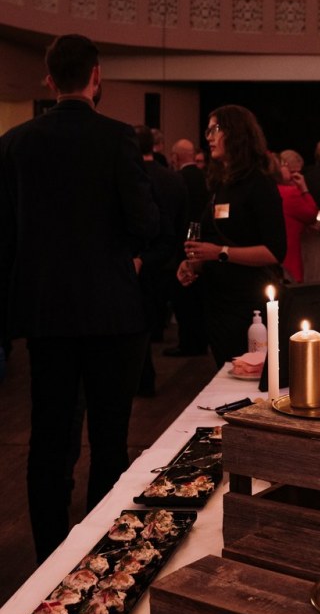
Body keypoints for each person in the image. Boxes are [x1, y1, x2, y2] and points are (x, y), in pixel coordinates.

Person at [0, 33, 159, 562]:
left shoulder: (15, 143)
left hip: (46, 313)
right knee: (109, 438)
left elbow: (5, 236)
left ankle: (49, 554)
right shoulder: (116, 138)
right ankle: (99, 553)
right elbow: (145, 222)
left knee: (49, 439)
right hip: (111, 310)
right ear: (96, 77)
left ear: (49, 79)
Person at [177, 105, 286, 369]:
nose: (209, 137)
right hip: (218, 301)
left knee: (248, 376)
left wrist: (219, 252)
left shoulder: (259, 183)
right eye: (208, 131)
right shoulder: (220, 185)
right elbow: (216, 239)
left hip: (249, 304)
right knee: (227, 372)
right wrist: (194, 264)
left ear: (236, 133)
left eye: (215, 129)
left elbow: (274, 251)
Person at [134, 125, 187, 394]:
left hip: (141, 261)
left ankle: (142, 379)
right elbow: (181, 220)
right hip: (170, 257)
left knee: (139, 323)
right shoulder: (173, 178)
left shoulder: (137, 178)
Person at [165, 137, 210, 357]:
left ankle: (187, 343)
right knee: (199, 297)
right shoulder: (205, 177)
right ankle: (200, 341)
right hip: (205, 244)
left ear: (175, 157)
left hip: (182, 242)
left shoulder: (176, 179)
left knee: (183, 298)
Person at [277, 149, 318, 283]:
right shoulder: (290, 193)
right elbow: (311, 214)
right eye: (293, 172)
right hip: (290, 261)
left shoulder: (270, 189)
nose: (297, 177)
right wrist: (304, 189)